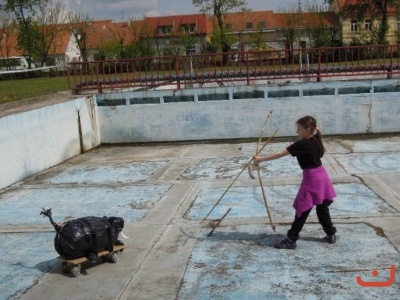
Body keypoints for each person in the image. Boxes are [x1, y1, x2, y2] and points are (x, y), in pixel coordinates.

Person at [253, 115, 337, 250]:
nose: (297, 132)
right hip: (322, 176)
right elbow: (311, 153)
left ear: (308, 129)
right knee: (322, 208)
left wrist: (260, 159)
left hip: (312, 179)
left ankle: (291, 239)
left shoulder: (301, 144)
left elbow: (279, 154)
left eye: (298, 129)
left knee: (302, 208)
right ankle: (331, 234)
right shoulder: (316, 140)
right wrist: (294, 148)